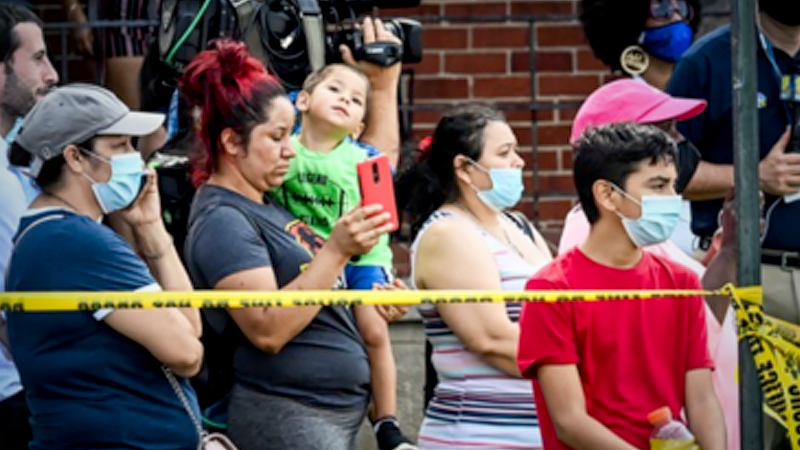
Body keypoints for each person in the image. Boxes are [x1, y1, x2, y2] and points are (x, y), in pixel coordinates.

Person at [181, 40, 396, 450]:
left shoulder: (266, 201)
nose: (288, 150)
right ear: (230, 142)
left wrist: (376, 299)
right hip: (288, 416)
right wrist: (336, 251)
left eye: (291, 134)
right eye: (278, 136)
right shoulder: (222, 218)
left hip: (324, 416)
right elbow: (267, 329)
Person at [5, 83, 203, 449]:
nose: (136, 159)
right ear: (75, 158)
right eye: (120, 146)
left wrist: (152, 230)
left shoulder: (50, 235)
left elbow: (190, 329)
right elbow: (187, 355)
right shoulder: (76, 242)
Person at [518, 122, 726, 450]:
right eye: (658, 186)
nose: (672, 199)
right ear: (607, 195)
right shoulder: (552, 289)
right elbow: (569, 420)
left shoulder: (681, 282)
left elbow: (701, 398)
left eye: (673, 186)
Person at [558, 78, 739, 450]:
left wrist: (730, 248)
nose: (676, 142)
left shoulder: (645, 231)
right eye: (662, 130)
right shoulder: (590, 236)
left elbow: (694, 332)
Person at [269, 61, 416, 450]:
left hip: (362, 257)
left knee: (372, 330)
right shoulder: (282, 152)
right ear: (302, 100)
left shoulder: (365, 160)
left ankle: (387, 424)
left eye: (355, 100)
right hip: (302, 258)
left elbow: (384, 220)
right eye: (334, 90)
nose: (344, 100)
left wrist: (385, 277)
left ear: (359, 125)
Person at [395, 103, 552, 450]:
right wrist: (587, 362)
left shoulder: (519, 225)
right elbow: (492, 340)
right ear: (465, 169)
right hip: (481, 436)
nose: (519, 162)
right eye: (505, 152)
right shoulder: (449, 233)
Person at [0, 4, 58, 448]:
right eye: (37, 58)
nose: (52, 73)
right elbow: (9, 312)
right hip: (17, 396)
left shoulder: (16, 158)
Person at [581, 0, 702, 91]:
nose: (677, 18)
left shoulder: (704, 89)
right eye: (661, 8)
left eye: (681, 8)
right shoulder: (620, 102)